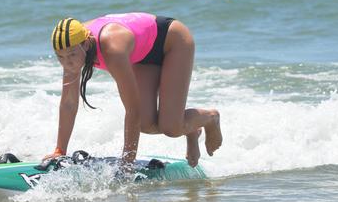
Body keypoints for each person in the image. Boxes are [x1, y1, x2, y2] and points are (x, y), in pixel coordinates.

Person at [45, 13, 223, 167]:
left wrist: (127, 163)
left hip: (172, 40)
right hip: (142, 52)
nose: (67, 62)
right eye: (60, 57)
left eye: (72, 55)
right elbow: (68, 103)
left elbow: (133, 109)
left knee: (171, 127)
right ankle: (191, 128)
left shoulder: (112, 49)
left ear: (85, 44)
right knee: (146, 124)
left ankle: (210, 118)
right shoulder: (69, 45)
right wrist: (60, 150)